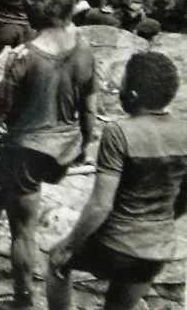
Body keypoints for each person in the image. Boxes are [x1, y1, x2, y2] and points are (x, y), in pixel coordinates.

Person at [0, 0, 97, 310]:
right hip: (63, 145)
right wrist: (85, 142)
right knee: (11, 174)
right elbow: (89, 105)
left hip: (29, 150)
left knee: (23, 230)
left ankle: (23, 298)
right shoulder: (83, 47)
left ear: (31, 12)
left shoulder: (24, 56)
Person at [46, 51, 187, 310]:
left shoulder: (118, 132)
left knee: (57, 261)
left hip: (115, 245)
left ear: (132, 95)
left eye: (122, 85)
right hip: (156, 251)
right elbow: (184, 201)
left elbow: (100, 205)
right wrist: (158, 224)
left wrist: (68, 246)